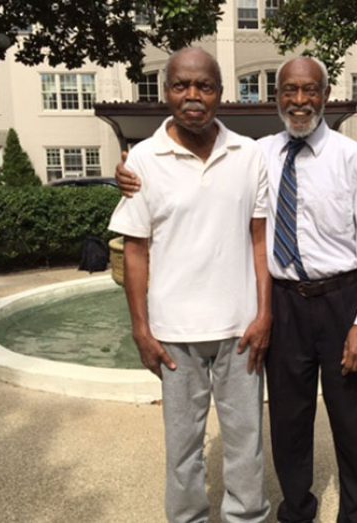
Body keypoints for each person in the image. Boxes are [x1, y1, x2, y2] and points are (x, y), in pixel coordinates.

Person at [116, 56, 357, 523]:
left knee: (351, 422)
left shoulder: (352, 158)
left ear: (325, 95)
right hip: (283, 304)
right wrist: (129, 169)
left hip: (342, 301)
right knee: (286, 421)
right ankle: (297, 512)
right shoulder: (259, 152)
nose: (299, 101)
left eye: (310, 91)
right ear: (276, 96)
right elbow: (180, 171)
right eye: (289, 91)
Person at [108, 47, 271, 523]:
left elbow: (259, 240)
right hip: (173, 333)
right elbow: (135, 250)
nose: (193, 96)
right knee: (182, 451)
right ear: (166, 92)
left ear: (220, 92)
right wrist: (141, 329)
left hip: (240, 331)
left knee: (247, 445)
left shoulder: (249, 153)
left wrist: (265, 313)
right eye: (181, 86)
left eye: (204, 86)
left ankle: (247, 518)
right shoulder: (142, 159)